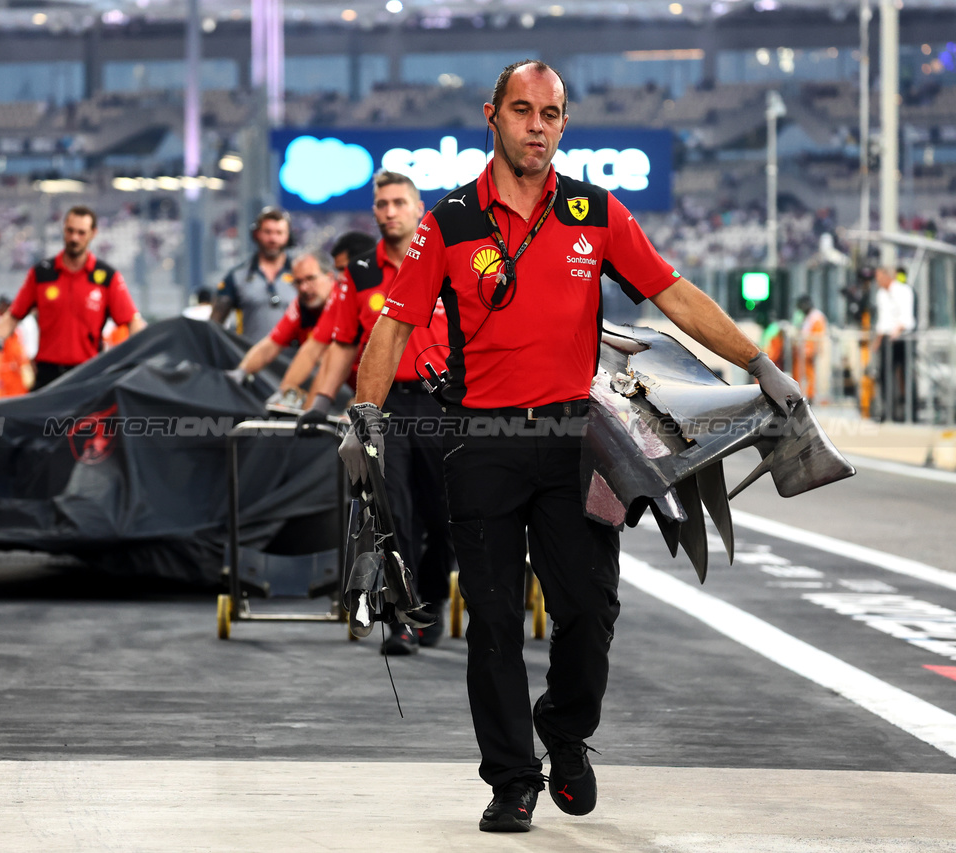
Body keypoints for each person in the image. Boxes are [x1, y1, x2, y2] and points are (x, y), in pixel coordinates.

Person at [339, 60, 803, 833]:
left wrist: (758, 362)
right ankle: (512, 777)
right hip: (479, 442)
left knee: (589, 610)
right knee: (490, 621)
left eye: (549, 114)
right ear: (492, 115)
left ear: (564, 122)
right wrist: (365, 413)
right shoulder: (448, 221)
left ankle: (565, 728)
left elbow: (672, 291)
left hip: (574, 443)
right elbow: (392, 323)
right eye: (521, 111)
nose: (536, 126)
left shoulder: (594, 210)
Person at [299, 171, 453, 655]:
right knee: (393, 515)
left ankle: (432, 598)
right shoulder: (360, 272)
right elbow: (343, 344)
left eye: (398, 202)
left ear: (417, 207)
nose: (389, 211)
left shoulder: (448, 258)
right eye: (381, 204)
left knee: (449, 516)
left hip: (444, 403)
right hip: (382, 406)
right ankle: (402, 621)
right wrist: (320, 401)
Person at [0, 205, 146, 391]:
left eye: (81, 232)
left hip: (89, 374)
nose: (74, 238)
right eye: (70, 231)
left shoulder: (106, 277)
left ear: (93, 233)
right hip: (48, 374)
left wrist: (137, 354)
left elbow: (132, 321)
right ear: (64, 229)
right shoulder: (41, 274)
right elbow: (14, 315)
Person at [269, 231, 378, 402]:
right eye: (298, 282)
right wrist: (288, 395)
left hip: (405, 390)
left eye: (344, 269)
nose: (340, 277)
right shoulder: (342, 297)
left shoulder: (392, 292)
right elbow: (314, 350)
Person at [235, 250, 337, 379]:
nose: (304, 288)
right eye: (298, 282)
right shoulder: (300, 306)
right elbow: (270, 345)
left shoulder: (344, 301)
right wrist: (240, 372)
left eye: (311, 278)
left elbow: (314, 354)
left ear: (330, 277)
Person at [210, 207, 296, 342]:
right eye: (268, 232)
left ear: (288, 236)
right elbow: (214, 324)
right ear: (256, 234)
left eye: (279, 233)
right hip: (249, 357)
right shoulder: (237, 276)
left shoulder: (301, 275)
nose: (273, 238)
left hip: (293, 359)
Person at [873, 266, 916, 422]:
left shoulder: (903, 291)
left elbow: (906, 318)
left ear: (887, 276)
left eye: (879, 277)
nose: (877, 280)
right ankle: (888, 411)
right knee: (884, 375)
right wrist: (877, 341)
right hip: (887, 339)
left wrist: (896, 330)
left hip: (902, 339)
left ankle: (910, 412)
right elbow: (882, 320)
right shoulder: (881, 295)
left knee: (906, 375)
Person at [792, 294, 827, 402]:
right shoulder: (807, 317)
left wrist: (814, 352)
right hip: (803, 353)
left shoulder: (816, 317)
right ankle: (799, 396)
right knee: (800, 376)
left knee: (811, 376)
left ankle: (811, 397)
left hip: (810, 353)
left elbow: (817, 337)